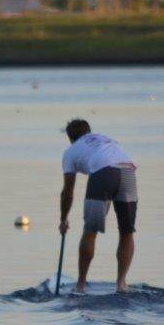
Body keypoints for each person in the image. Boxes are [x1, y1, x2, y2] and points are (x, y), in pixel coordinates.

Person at [58, 119, 138, 293]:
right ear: (88, 131)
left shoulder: (70, 151)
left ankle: (80, 286)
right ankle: (121, 284)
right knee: (127, 232)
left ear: (70, 138)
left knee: (90, 231)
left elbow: (67, 191)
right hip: (128, 170)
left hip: (104, 172)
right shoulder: (104, 138)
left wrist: (63, 219)